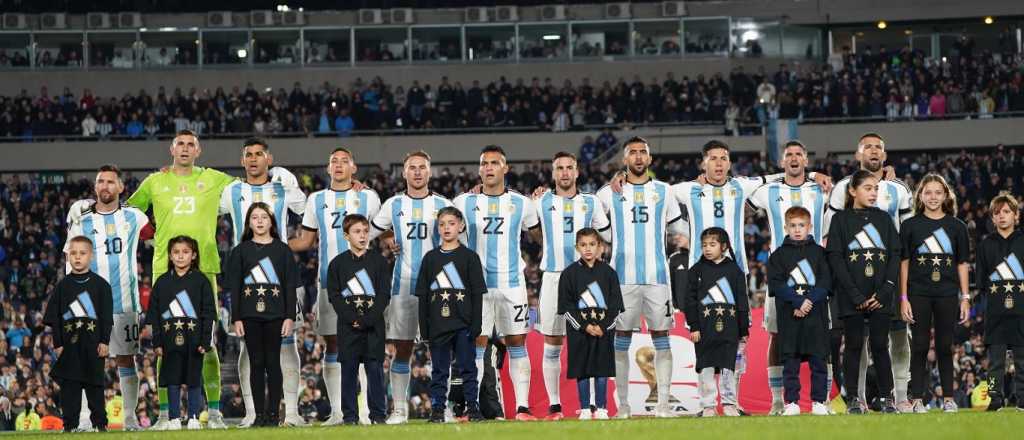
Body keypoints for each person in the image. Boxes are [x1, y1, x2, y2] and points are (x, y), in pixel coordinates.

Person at [672, 140, 830, 413]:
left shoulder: (740, 186)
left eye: (724, 158)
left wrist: (814, 174)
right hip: (701, 275)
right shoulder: (688, 189)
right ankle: (708, 403)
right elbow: (657, 192)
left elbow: (775, 175)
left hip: (736, 272)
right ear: (703, 163)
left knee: (737, 340)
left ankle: (732, 402)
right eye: (713, 158)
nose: (719, 163)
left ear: (730, 163)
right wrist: (622, 177)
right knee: (705, 341)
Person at [126, 130, 236, 428]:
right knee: (166, 345)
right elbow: (130, 212)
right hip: (165, 270)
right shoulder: (155, 181)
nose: (185, 149)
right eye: (180, 144)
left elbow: (248, 191)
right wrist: (152, 237)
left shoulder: (214, 178)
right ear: (171, 149)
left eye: (191, 145)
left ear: (198, 151)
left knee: (207, 341)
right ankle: (165, 415)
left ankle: (213, 413)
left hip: (204, 271)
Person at [219, 138, 307, 428]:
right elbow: (204, 208)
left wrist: (291, 183)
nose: (254, 159)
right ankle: (252, 414)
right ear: (242, 160)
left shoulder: (283, 183)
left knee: (287, 345)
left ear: (268, 158)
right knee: (248, 352)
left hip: (279, 276)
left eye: (259, 154)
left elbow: (304, 208)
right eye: (249, 155)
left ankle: (291, 413)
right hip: (244, 276)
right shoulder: (231, 190)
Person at [290, 147, 381, 425]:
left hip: (365, 285)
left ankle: (365, 412)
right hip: (329, 282)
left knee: (366, 346)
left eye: (345, 161)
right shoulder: (316, 200)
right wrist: (274, 247)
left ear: (354, 168)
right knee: (333, 344)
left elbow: (384, 231)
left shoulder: (368, 197)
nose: (339, 165)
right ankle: (339, 412)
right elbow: (305, 242)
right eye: (334, 162)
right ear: (328, 169)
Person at [597, 137, 685, 418]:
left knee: (662, 337)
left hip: (658, 277)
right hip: (621, 279)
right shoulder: (608, 192)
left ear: (650, 159)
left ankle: (662, 406)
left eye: (642, 153)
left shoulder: (664, 191)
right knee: (621, 338)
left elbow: (677, 229)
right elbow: (590, 218)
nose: (637, 157)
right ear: (624, 160)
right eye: (632, 153)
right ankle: (623, 405)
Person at [453, 145, 541, 420]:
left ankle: (523, 407)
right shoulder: (463, 203)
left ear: (506, 168)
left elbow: (540, 236)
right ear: (479, 169)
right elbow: (444, 232)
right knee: (477, 345)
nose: (489, 167)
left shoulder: (522, 203)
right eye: (484, 163)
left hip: (512, 284)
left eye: (494, 162)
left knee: (517, 343)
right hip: (476, 287)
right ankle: (473, 406)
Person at [827, 133, 913, 412]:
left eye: (876, 189)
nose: (874, 193)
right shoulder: (840, 219)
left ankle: (888, 398)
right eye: (868, 189)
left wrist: (887, 289)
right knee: (853, 346)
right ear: (852, 191)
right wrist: (853, 293)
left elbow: (894, 254)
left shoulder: (884, 219)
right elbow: (835, 257)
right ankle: (853, 398)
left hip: (881, 295)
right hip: (851, 296)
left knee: (880, 345)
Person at [367, 150, 453, 424]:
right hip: (402, 286)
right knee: (402, 348)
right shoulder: (393, 204)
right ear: (404, 173)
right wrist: (387, 240)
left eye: (422, 168)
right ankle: (400, 410)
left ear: (430, 172)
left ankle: (442, 407)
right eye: (412, 168)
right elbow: (368, 232)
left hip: (438, 288)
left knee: (439, 349)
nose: (417, 172)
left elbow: (459, 238)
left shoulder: (443, 204)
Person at [64, 164, 148, 431]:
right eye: (101, 181)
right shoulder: (82, 219)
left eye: (111, 182)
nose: (105, 186)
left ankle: (130, 418)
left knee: (126, 359)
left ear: (121, 187)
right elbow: (71, 261)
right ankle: (86, 419)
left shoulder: (135, 217)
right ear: (95, 187)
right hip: (89, 305)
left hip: (125, 302)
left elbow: (160, 236)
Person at [748, 140, 829, 414]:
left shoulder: (821, 188)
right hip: (782, 273)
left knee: (820, 340)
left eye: (798, 155)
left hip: (815, 272)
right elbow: (740, 186)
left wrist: (818, 175)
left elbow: (853, 186)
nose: (794, 159)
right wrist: (776, 176)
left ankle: (822, 400)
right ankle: (778, 400)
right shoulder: (769, 190)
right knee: (777, 335)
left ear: (806, 160)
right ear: (782, 162)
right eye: (789, 155)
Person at [531, 151, 610, 420]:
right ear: (553, 174)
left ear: (577, 172)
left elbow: (605, 235)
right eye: (559, 168)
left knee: (591, 340)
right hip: (553, 276)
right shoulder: (540, 201)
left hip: (586, 280)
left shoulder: (591, 202)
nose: (564, 173)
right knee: (552, 342)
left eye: (569, 168)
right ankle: (555, 405)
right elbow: (529, 227)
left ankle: (594, 405)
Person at [899, 174, 970, 413]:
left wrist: (965, 297)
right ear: (920, 195)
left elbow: (962, 264)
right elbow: (904, 263)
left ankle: (949, 399)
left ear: (945, 196)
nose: (933, 197)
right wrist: (903, 297)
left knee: (944, 346)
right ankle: (917, 399)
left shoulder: (957, 226)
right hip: (918, 293)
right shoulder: (909, 225)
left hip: (948, 294)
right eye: (928, 192)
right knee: (919, 346)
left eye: (938, 192)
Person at [225, 203, 300, 427]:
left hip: (276, 315)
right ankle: (258, 415)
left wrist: (290, 317)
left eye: (264, 217)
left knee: (273, 363)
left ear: (272, 222)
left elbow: (289, 286)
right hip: (249, 315)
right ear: (248, 222)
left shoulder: (283, 250)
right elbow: (234, 288)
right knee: (256, 363)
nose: (259, 221)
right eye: (255, 217)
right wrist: (236, 318)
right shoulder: (239, 251)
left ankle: (273, 415)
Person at [415, 207, 486, 423]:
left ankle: (473, 408)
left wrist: (476, 325)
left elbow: (477, 294)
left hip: (463, 324)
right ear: (438, 228)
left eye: (451, 223)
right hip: (437, 325)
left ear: (461, 226)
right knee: (439, 370)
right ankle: (437, 410)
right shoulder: (430, 259)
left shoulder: (470, 257)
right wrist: (424, 329)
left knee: (468, 368)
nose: (447, 228)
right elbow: (423, 297)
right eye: (442, 224)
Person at [43, 236, 112, 432]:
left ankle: (100, 424)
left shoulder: (101, 286)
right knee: (69, 388)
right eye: (73, 253)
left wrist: (105, 341)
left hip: (93, 345)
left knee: (95, 386)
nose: (77, 257)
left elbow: (107, 317)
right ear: (68, 257)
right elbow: (54, 318)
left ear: (91, 256)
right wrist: (58, 343)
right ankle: (69, 425)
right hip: (69, 346)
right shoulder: (62, 286)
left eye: (82, 253)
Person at [766, 207, 831, 416]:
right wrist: (797, 302)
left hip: (815, 315)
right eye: (792, 226)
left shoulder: (820, 253)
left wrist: (808, 301)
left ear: (810, 227)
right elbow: (776, 285)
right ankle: (791, 402)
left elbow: (826, 281)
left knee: (818, 359)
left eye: (801, 225)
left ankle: (819, 402)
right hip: (789, 317)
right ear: (785, 227)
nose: (797, 230)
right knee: (790, 361)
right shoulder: (777, 256)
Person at [326, 214, 390, 425]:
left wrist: (367, 320)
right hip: (348, 328)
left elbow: (383, 295)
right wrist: (352, 318)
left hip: (374, 327)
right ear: (346, 235)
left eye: (365, 231)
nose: (362, 236)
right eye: (357, 231)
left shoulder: (379, 261)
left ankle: (378, 415)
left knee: (375, 372)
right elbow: (334, 296)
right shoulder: (337, 264)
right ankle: (350, 417)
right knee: (349, 373)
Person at [146, 236, 216, 430]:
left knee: (194, 379)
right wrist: (157, 342)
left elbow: (208, 312)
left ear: (193, 255)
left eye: (185, 252)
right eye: (176, 252)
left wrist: (205, 340)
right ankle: (174, 418)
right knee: (172, 379)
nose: (180, 256)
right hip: (169, 342)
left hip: (194, 341)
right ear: (170, 255)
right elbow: (155, 314)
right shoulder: (162, 282)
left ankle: (194, 416)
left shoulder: (201, 281)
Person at [557, 228, 623, 420]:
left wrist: (603, 327)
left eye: (592, 244)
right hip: (579, 332)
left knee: (602, 368)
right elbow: (566, 307)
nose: (588, 249)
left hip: (604, 331)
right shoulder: (569, 274)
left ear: (600, 247)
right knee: (582, 368)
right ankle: (585, 408)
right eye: (583, 245)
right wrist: (584, 326)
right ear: (577, 247)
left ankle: (602, 408)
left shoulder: (609, 273)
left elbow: (616, 306)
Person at [683, 227, 749, 417]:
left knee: (729, 366)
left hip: (730, 328)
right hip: (704, 329)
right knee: (706, 365)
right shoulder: (696, 270)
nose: (707, 249)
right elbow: (690, 300)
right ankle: (708, 405)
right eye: (704, 245)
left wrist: (743, 328)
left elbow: (742, 299)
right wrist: (694, 325)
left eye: (712, 244)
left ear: (724, 246)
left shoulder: (734, 270)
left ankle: (729, 403)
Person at [975, 193, 1024, 411]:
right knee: (995, 362)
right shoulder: (985, 245)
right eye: (997, 213)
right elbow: (982, 281)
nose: (1002, 216)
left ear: (1016, 215)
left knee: (1023, 361)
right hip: (996, 311)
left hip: (1022, 310)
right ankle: (995, 400)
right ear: (992, 219)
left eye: (1006, 212)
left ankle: (1022, 400)